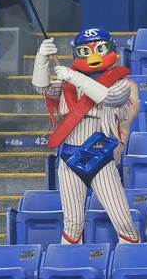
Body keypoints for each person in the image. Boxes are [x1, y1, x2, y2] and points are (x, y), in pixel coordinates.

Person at [32, 28, 140, 244]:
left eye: (99, 48)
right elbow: (42, 89)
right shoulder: (67, 84)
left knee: (123, 222)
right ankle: (69, 266)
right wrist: (41, 61)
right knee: (72, 225)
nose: (93, 56)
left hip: (100, 157)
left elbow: (108, 97)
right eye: (85, 50)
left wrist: (75, 77)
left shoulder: (122, 83)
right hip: (69, 158)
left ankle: (132, 260)